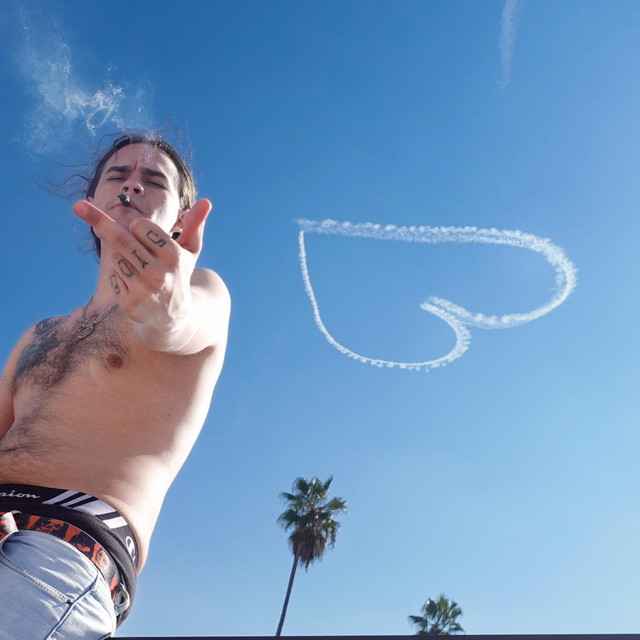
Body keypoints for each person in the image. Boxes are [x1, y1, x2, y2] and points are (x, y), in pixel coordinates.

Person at [0, 133, 231, 638]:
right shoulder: (38, 335)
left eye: (153, 180)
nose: (133, 185)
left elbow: (184, 322)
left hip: (54, 551)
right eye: (118, 175)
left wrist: (169, 311)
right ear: (93, 199)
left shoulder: (202, 292)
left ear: (180, 219)